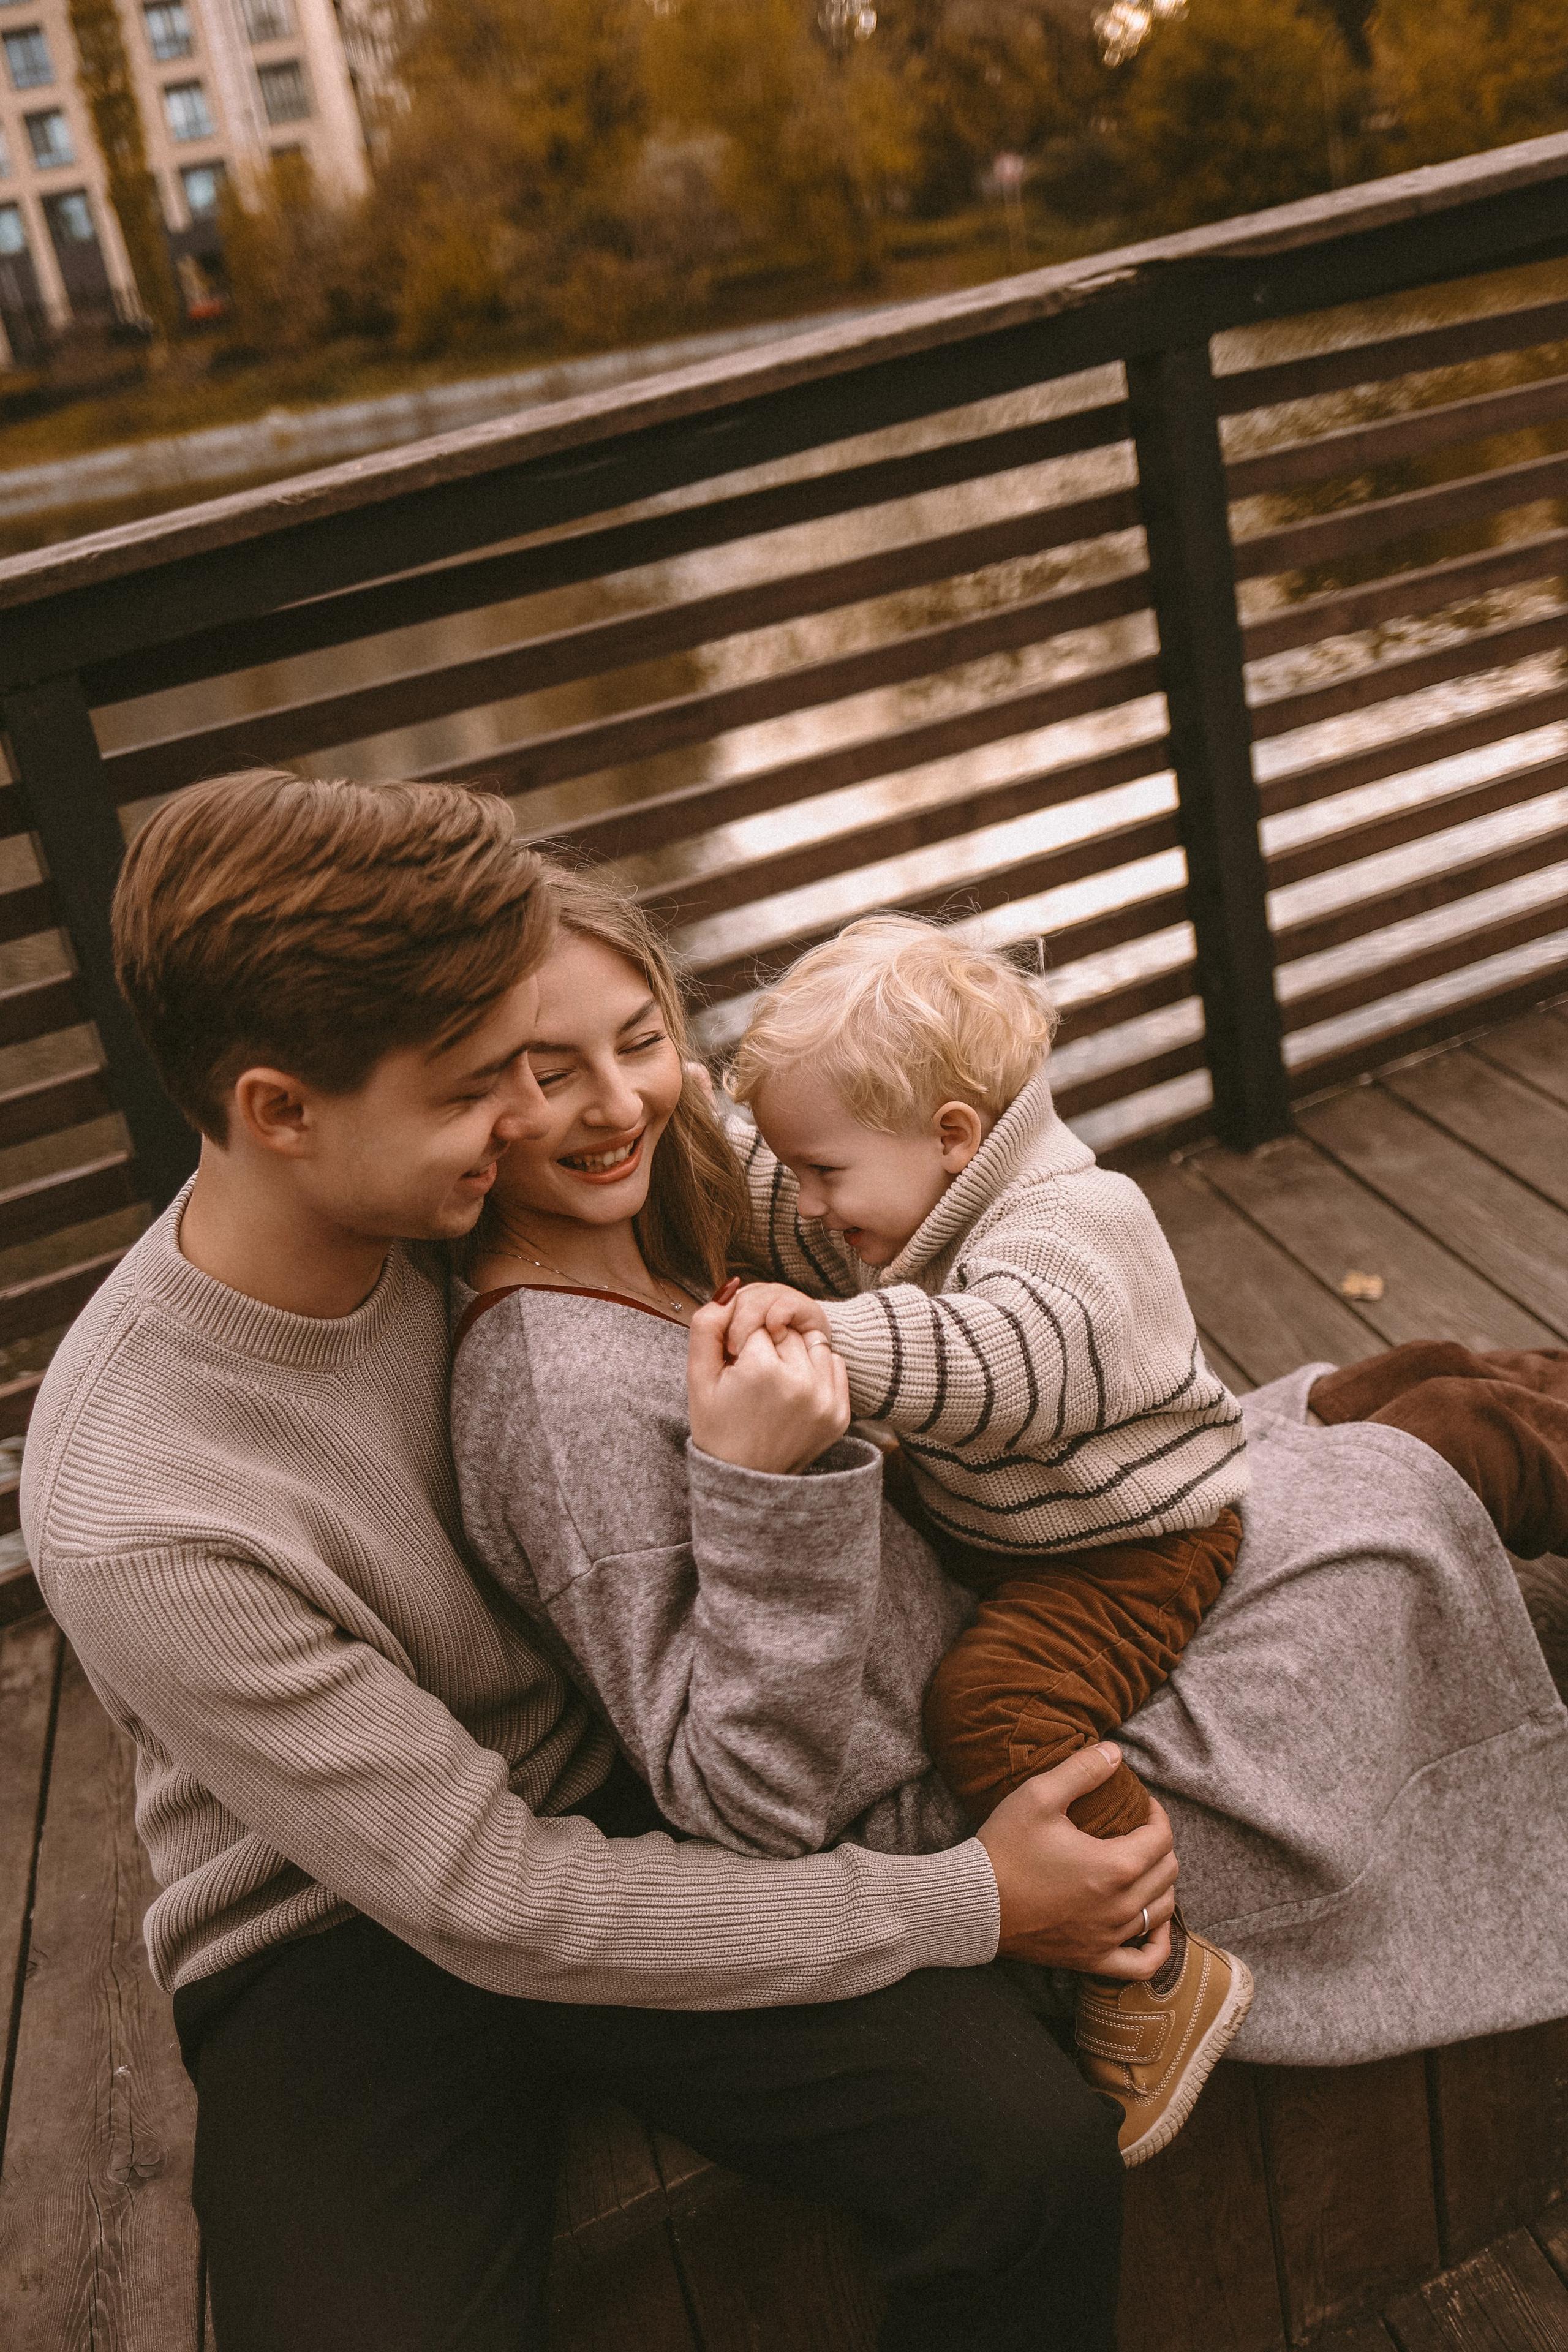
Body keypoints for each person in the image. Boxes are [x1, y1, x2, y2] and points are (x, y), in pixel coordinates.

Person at [21, 769, 1182, 2352]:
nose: (530, 1120)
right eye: (471, 1088)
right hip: (341, 1924)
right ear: (279, 1113)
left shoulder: (459, 1185)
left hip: (638, 1758)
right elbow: (491, 1898)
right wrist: (961, 1903)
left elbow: (801, 1173)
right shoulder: (138, 1502)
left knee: (1024, 2160)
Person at [720, 916, 1253, 2162]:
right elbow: (782, 1201)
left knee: (991, 1702)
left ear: (953, 1139)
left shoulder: (1073, 1221)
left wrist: (822, 1347)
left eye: (824, 1173)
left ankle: (1153, 1963)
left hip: (1126, 1546)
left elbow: (1007, 1370)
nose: (805, 1206)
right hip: (1015, 1522)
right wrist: (672, 1121)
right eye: (793, 1170)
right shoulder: (902, 1191)